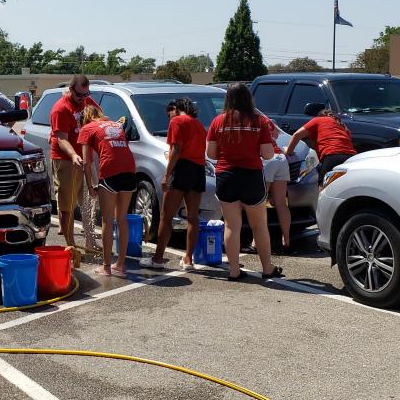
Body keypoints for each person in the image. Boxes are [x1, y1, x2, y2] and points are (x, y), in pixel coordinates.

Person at [206, 84, 283, 281]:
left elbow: (211, 153)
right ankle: (267, 268)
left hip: (226, 175)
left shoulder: (217, 121)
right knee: (259, 226)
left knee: (232, 225)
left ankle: (234, 271)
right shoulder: (258, 121)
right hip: (251, 175)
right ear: (248, 98)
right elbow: (268, 154)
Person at [141, 98, 206, 271]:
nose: (169, 118)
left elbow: (176, 150)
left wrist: (166, 175)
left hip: (182, 168)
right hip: (198, 170)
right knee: (193, 217)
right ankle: (188, 260)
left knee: (166, 216)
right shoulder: (198, 125)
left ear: (175, 109)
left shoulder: (177, 121)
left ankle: (158, 258)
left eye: (169, 113)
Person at [78, 105, 136, 277]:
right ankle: (121, 265)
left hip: (110, 171)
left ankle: (106, 267)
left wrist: (90, 186)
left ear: (85, 119)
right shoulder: (116, 125)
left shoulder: (87, 128)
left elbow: (87, 163)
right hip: (129, 170)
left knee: (107, 221)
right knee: (122, 219)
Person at [50, 74, 91, 248]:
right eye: (79, 95)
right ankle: (70, 245)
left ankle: (91, 242)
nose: (82, 99)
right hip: (66, 159)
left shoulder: (86, 101)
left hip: (83, 157)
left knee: (88, 202)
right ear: (70, 89)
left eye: (85, 95)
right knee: (67, 205)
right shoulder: (60, 109)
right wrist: (74, 155)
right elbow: (61, 139)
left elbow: (100, 117)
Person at [244, 119, 292, 254]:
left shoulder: (247, 122)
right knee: (281, 203)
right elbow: (276, 135)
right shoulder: (266, 120)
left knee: (260, 202)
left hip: (265, 159)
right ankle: (286, 240)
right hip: (280, 158)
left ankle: (256, 242)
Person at [284, 109, 356, 183]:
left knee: (323, 188)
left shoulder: (318, 120)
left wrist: (289, 151)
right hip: (351, 158)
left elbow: (297, 135)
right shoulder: (342, 126)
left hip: (332, 156)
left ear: (320, 115)